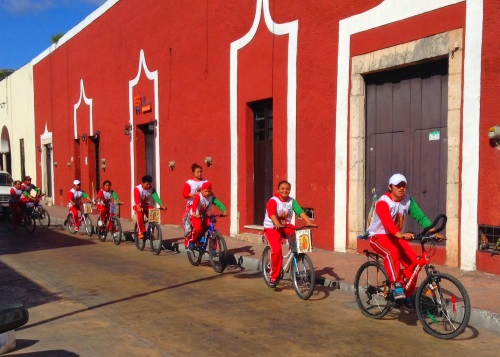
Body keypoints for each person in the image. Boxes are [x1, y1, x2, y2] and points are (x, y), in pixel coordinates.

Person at [367, 173, 444, 303]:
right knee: (393, 252)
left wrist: (434, 232)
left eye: (404, 185)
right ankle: (396, 285)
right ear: (390, 187)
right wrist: (400, 235)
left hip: (396, 237)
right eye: (398, 186)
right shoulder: (383, 202)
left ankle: (406, 293)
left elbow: (421, 217)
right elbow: (387, 222)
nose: (401, 188)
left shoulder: (407, 200)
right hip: (378, 237)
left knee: (415, 262)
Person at [263, 180, 317, 287]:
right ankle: (273, 276)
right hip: (272, 228)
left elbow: (299, 211)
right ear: (278, 190)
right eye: (282, 188)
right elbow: (272, 214)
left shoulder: (291, 201)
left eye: (287, 189)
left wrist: (308, 222)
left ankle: (291, 263)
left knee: (297, 238)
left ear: (290, 190)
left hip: (285, 226)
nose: (285, 190)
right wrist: (276, 222)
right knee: (277, 250)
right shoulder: (273, 201)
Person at [187, 181, 227, 250]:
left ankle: (213, 250)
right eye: (206, 191)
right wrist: (194, 213)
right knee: (198, 228)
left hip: (205, 215)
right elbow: (194, 205)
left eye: (209, 191)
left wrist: (224, 210)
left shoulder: (211, 197)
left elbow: (218, 203)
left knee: (213, 230)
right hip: (196, 215)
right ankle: (192, 241)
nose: (207, 193)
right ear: (202, 190)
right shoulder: (198, 196)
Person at [134, 175, 167, 239]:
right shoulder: (137, 188)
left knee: (154, 216)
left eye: (149, 184)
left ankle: (150, 232)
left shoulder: (152, 189)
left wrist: (162, 205)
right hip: (138, 205)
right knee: (140, 216)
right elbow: (136, 199)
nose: (148, 186)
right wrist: (138, 206)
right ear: (143, 183)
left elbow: (156, 198)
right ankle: (140, 232)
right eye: (147, 184)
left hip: (146, 205)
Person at [182, 163, 207, 243]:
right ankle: (189, 242)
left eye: (201, 172)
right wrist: (194, 194)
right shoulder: (189, 183)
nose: (200, 174)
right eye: (198, 172)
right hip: (192, 206)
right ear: (193, 173)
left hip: (202, 206)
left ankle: (201, 241)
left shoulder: (205, 181)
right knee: (192, 225)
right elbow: (185, 194)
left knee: (204, 225)